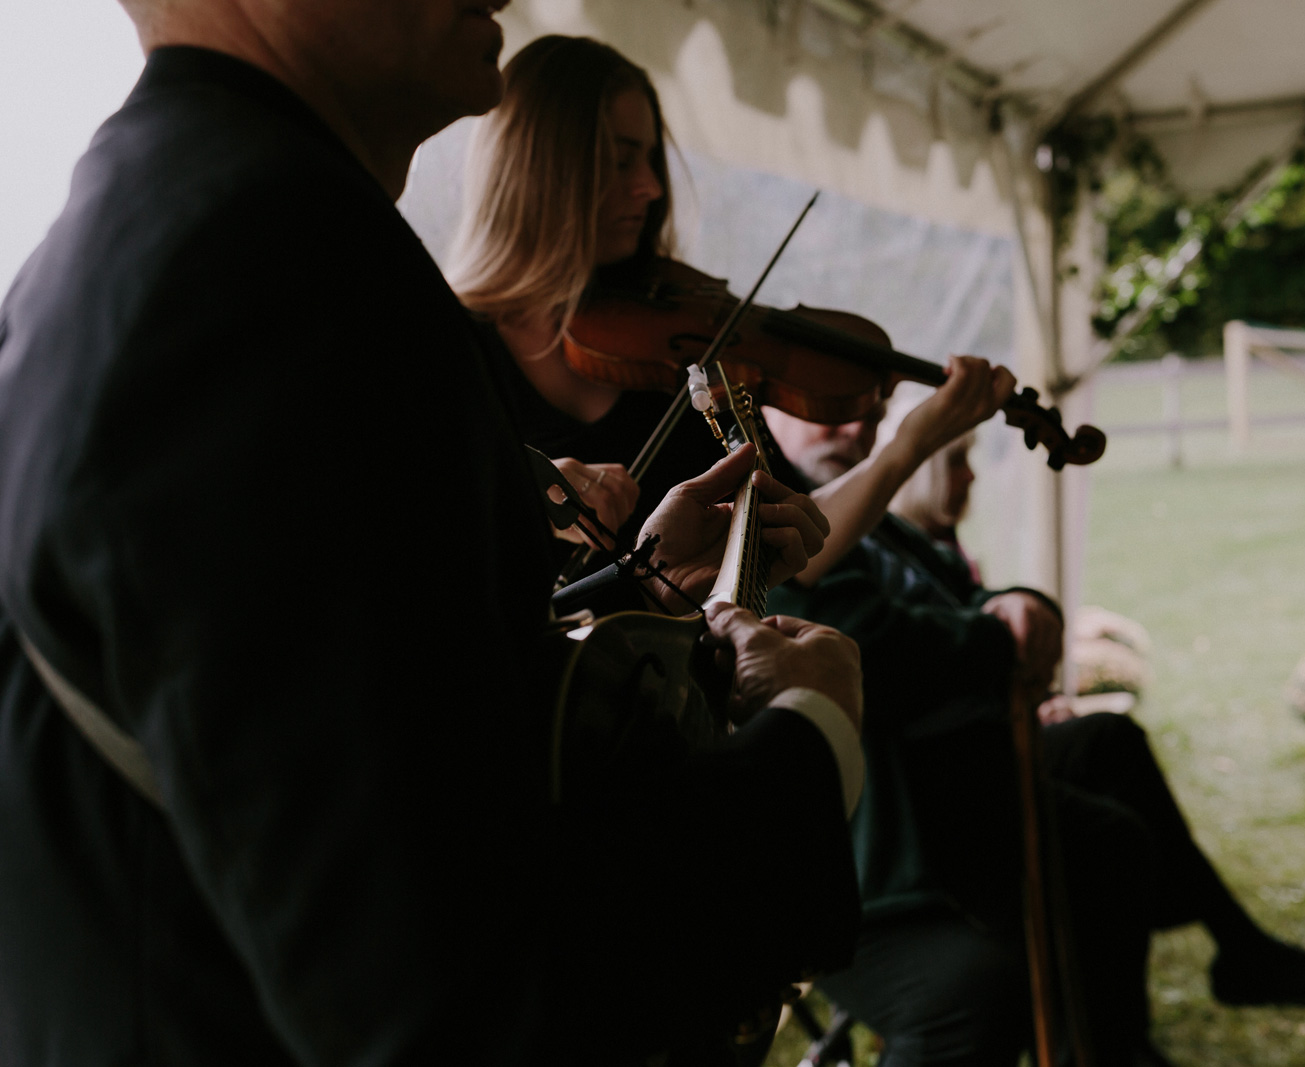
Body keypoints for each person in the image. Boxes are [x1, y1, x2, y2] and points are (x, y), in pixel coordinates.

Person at [0, 2, 873, 1064]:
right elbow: (447, 987)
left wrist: (632, 585)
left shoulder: (175, 212)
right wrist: (806, 733)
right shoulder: (273, 259)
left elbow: (354, 712)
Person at [765, 418, 1305, 1067]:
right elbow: (890, 654)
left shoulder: (877, 523)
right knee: (1101, 842)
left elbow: (965, 594)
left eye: (866, 403)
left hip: (955, 764)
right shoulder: (789, 529)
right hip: (911, 799)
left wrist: (1023, 603)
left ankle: (1170, 1001)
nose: (852, 424)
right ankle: (1141, 1022)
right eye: (826, 407)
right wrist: (998, 645)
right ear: (772, 410)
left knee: (1108, 758)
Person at [448, 35, 1015, 580]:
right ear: (540, 170)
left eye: (649, 159)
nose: (649, 187)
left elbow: (797, 543)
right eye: (620, 161)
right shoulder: (450, 345)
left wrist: (908, 445)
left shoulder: (683, 345)